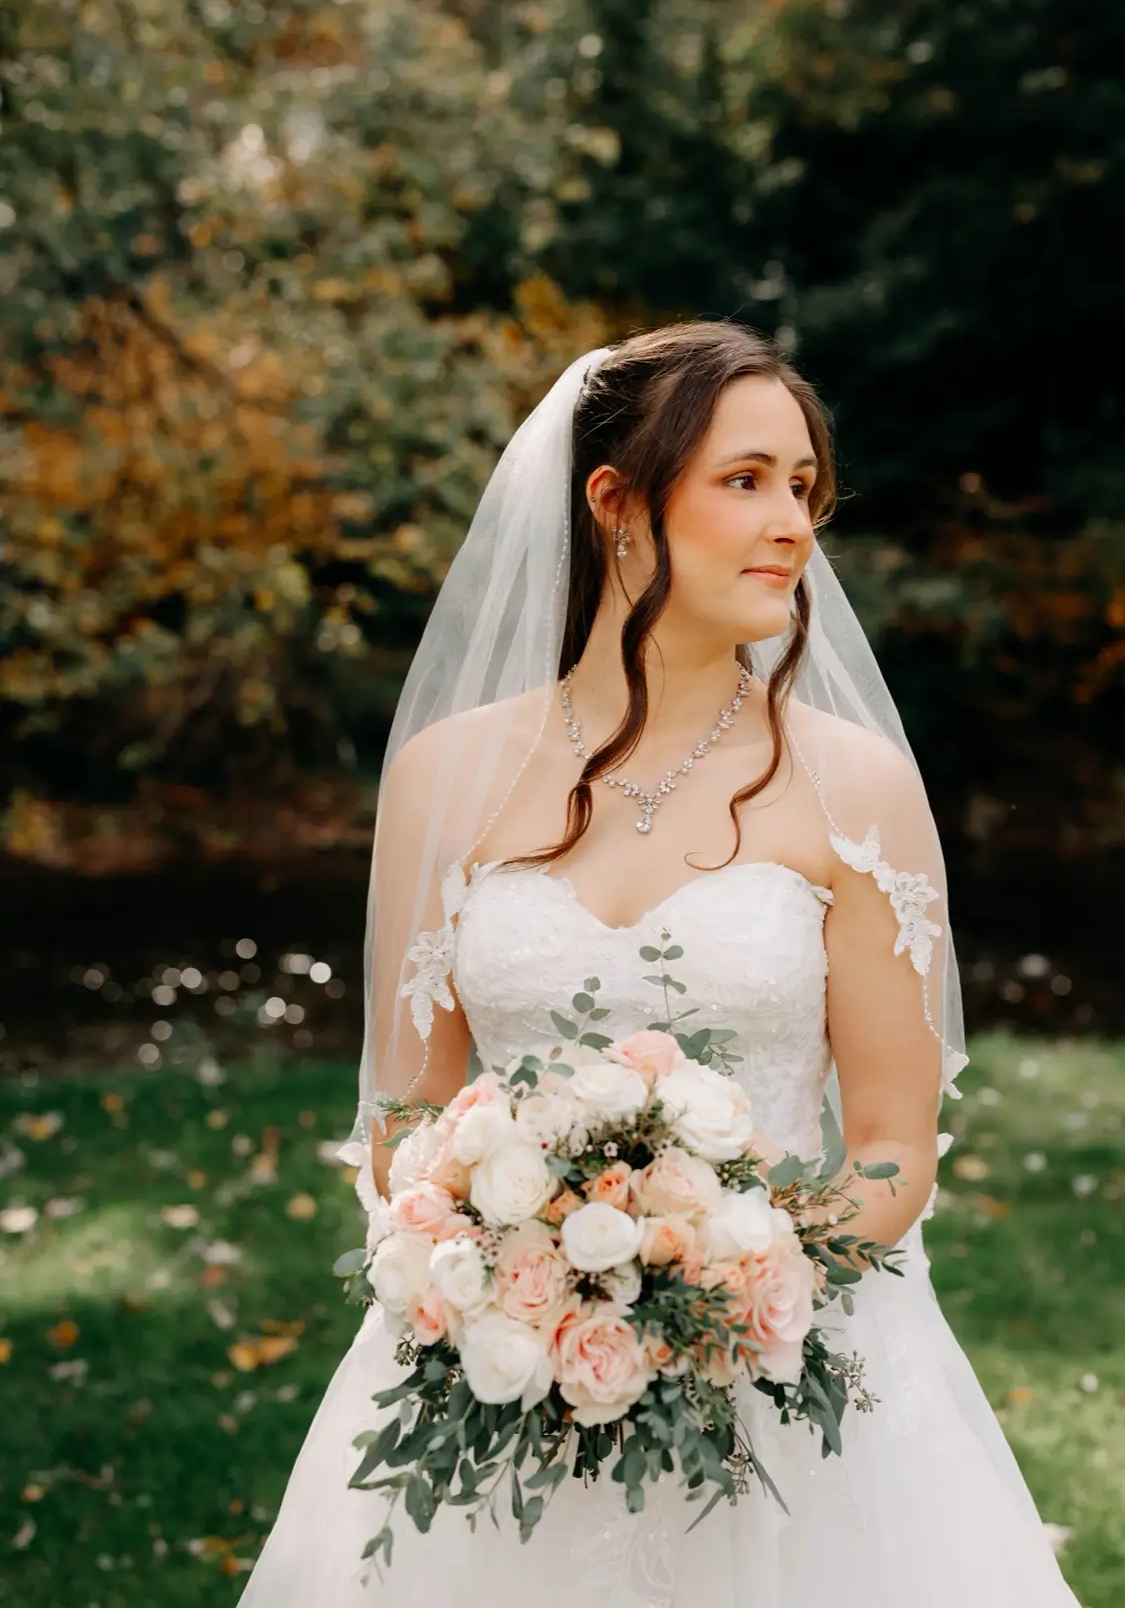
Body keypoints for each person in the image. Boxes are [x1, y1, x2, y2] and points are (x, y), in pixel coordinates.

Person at [237, 322, 1079, 1606]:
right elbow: (407, 1114)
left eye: (804, 486)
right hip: (504, 1352)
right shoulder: (446, 777)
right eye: (744, 481)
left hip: (791, 1365)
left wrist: (731, 1281)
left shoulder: (855, 784)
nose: (792, 521)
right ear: (616, 505)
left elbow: (896, 1145)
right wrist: (508, 1271)